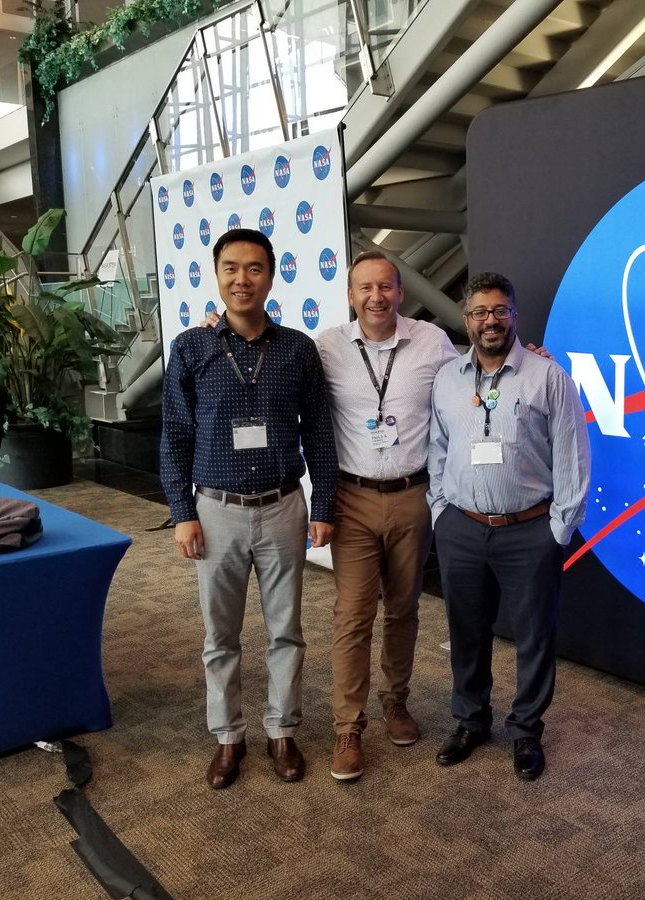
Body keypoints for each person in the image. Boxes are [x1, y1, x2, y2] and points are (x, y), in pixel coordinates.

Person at [160, 228, 337, 789]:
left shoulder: (297, 349)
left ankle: (282, 731)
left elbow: (321, 433)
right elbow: (174, 436)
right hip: (216, 510)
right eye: (231, 268)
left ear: (271, 276)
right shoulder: (192, 347)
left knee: (287, 630)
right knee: (220, 636)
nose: (243, 279)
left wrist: (324, 504)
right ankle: (228, 737)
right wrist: (182, 512)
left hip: (284, 505)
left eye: (255, 268)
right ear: (217, 275)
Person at [427, 271, 591, 781]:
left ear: (514, 315)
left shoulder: (548, 377)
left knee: (534, 636)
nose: (490, 321)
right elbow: (437, 448)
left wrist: (559, 529)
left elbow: (573, 456)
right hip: (461, 527)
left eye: (500, 310)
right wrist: (439, 510)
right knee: (466, 630)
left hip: (529, 530)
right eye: (480, 312)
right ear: (466, 320)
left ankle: (526, 731)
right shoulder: (447, 378)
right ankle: (470, 720)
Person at [315, 249, 458, 782]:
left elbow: (474, 377)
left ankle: (395, 701)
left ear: (400, 292)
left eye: (385, 287)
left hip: (412, 495)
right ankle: (348, 727)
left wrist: (528, 357)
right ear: (350, 295)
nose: (376, 297)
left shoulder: (432, 342)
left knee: (403, 609)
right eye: (365, 288)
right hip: (351, 498)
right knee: (353, 615)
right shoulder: (327, 347)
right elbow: (281, 384)